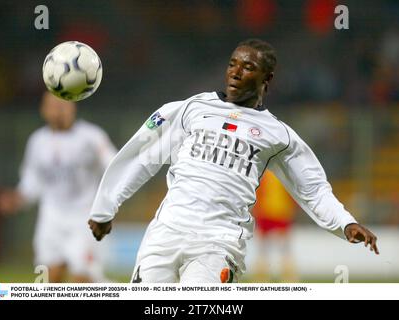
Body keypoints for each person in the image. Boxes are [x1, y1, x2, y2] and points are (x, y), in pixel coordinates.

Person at [88, 39, 379, 283]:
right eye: (232, 64)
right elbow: (141, 155)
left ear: (268, 78)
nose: (236, 73)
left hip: (218, 243)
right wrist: (104, 208)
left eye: (248, 67)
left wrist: (344, 222)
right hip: (165, 234)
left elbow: (312, 188)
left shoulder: (279, 135)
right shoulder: (191, 109)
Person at [0, 92, 117, 283]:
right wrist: (18, 198)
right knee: (49, 280)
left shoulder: (91, 137)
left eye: (62, 106)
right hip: (51, 218)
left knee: (83, 281)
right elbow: (32, 182)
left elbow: (114, 166)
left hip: (83, 218)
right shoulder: (37, 141)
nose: (57, 111)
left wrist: (107, 203)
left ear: (73, 108)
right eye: (52, 106)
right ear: (43, 110)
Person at [251, 171, 298, 282]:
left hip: (270, 213)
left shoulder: (264, 173)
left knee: (265, 249)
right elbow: (292, 193)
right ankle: (288, 278)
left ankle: (261, 278)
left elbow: (257, 193)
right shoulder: (284, 173)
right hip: (279, 213)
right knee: (283, 249)